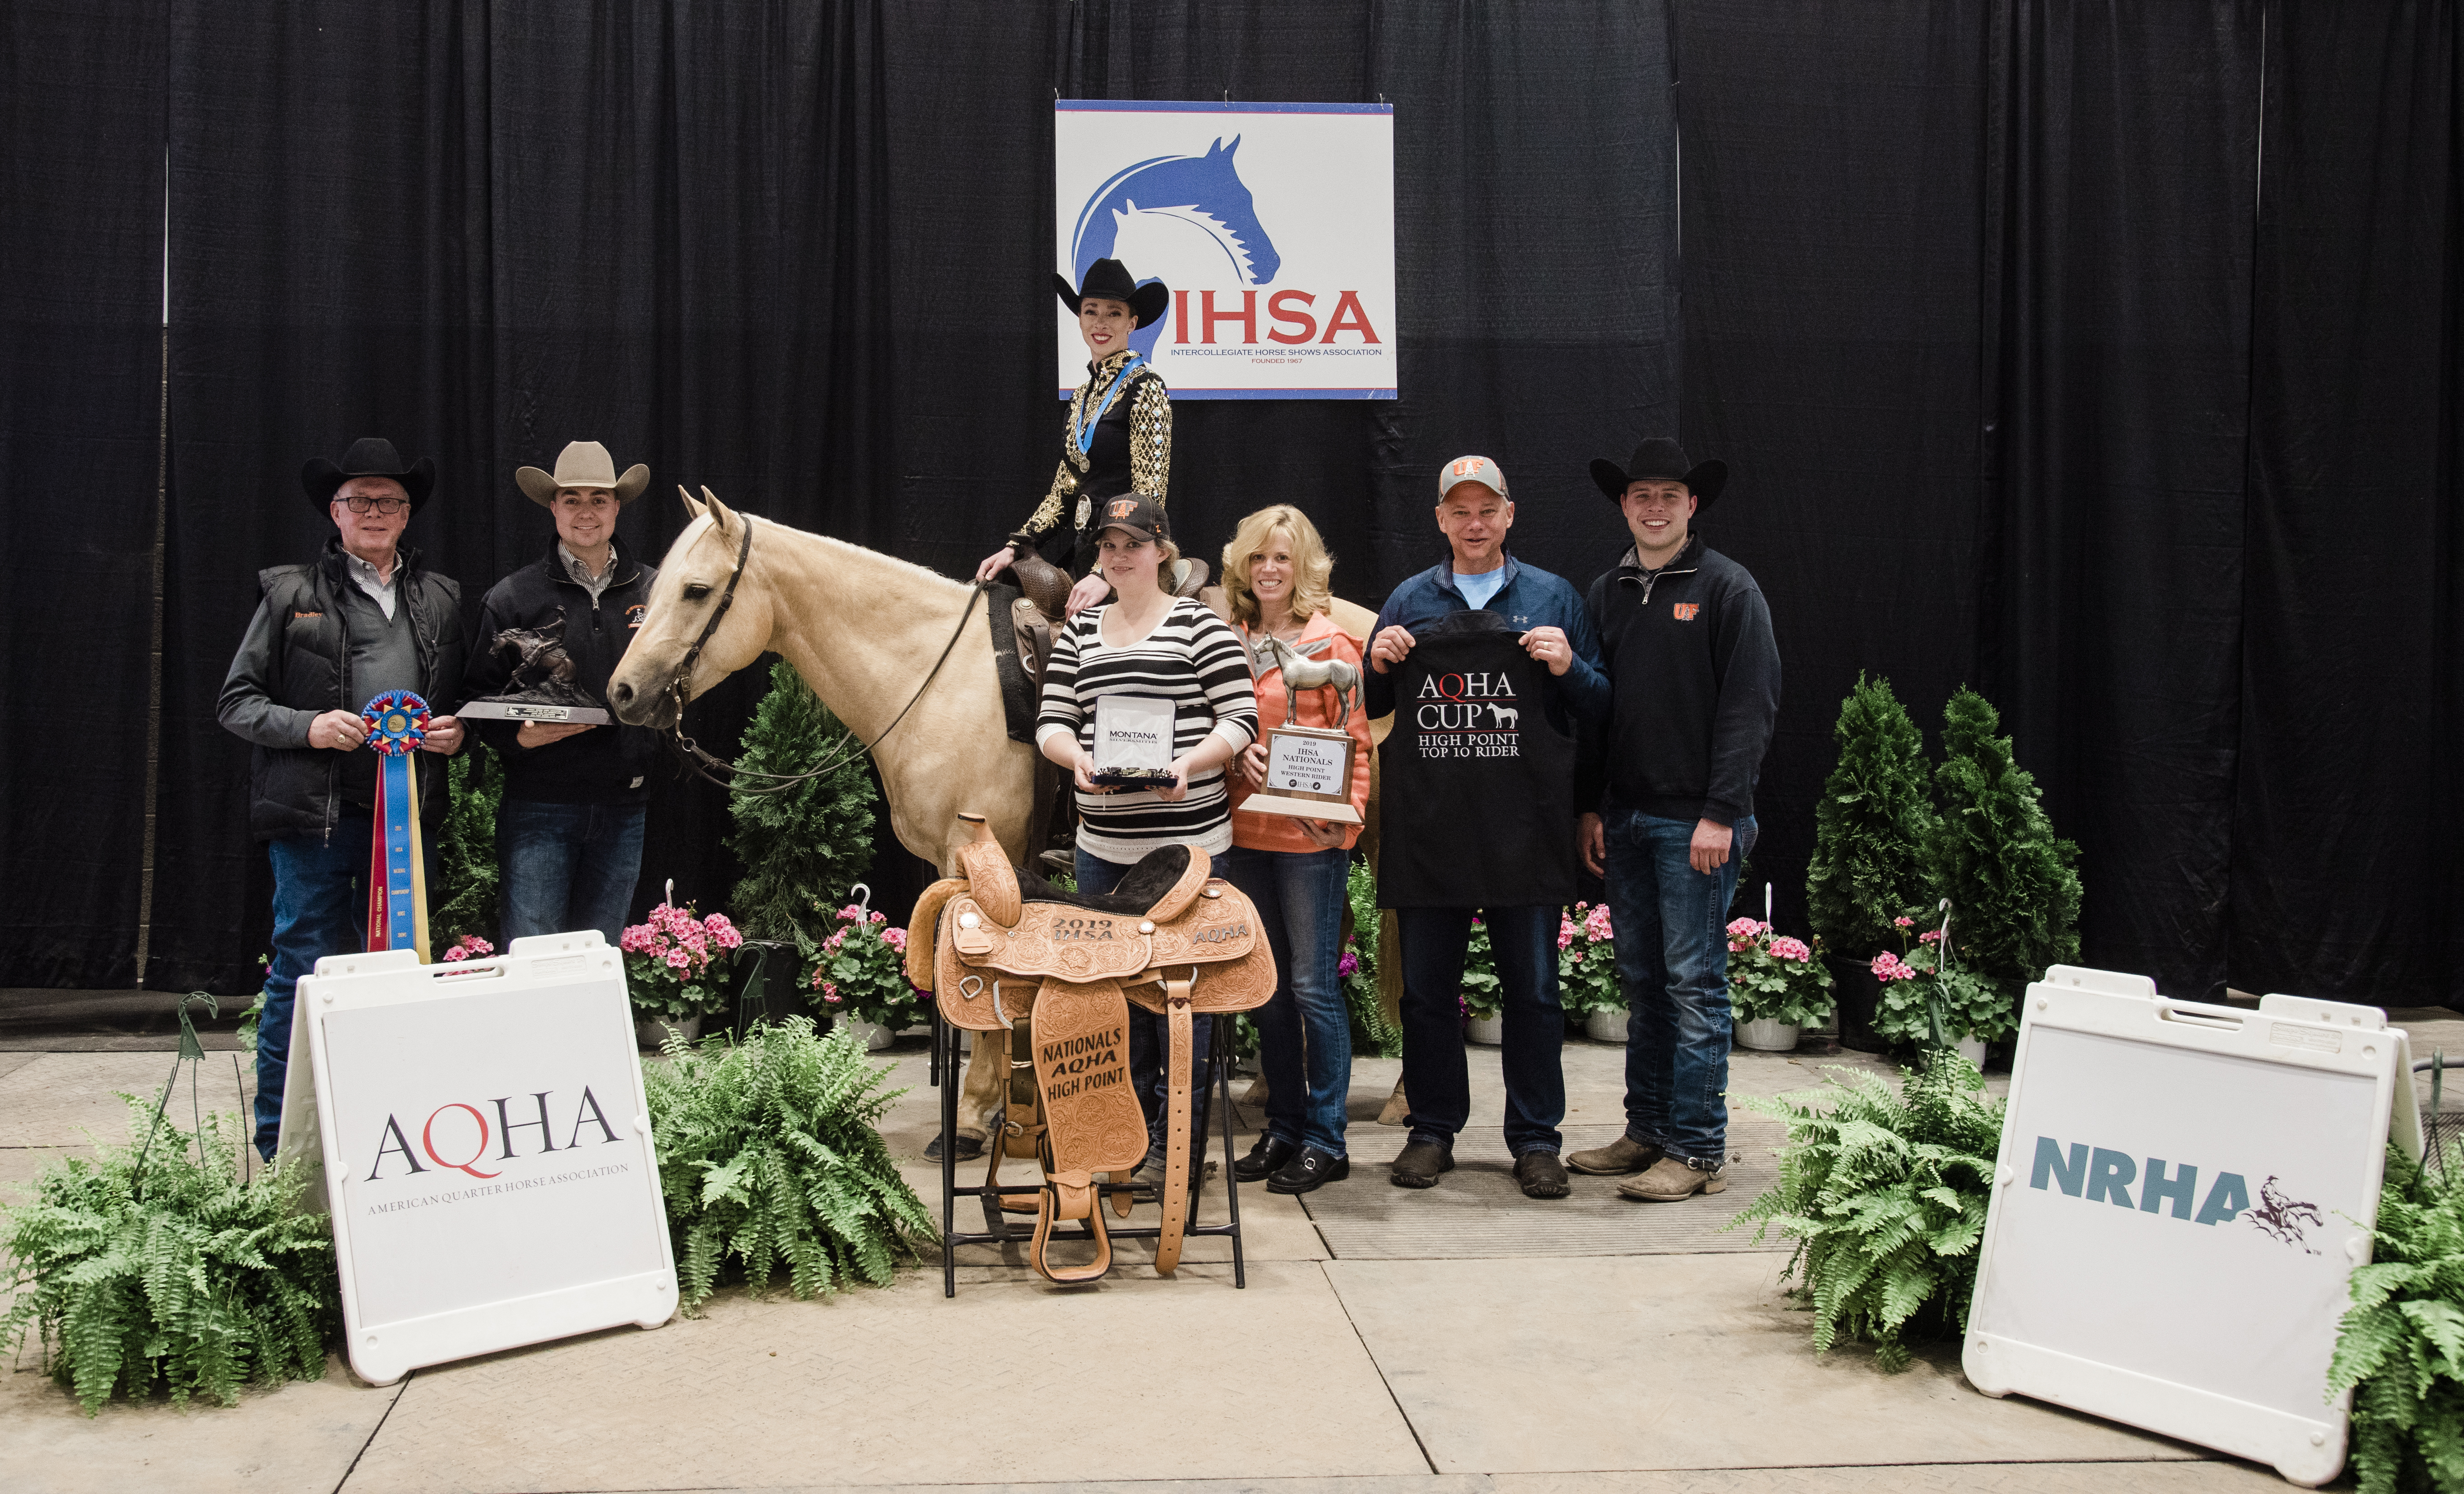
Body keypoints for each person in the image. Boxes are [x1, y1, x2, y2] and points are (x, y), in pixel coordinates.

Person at [1363, 457, 1608, 1199]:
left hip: (1524, 829)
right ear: (1440, 519)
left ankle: (1536, 1141)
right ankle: (1432, 1130)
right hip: (1433, 829)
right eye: (1459, 511)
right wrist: (1376, 660)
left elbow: (1600, 707)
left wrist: (1569, 666)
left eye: (1487, 510)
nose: (1474, 523)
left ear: (1509, 515)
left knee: (1533, 994)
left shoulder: (1553, 597)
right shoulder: (1409, 598)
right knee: (1428, 995)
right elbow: (1373, 699)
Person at [217, 436, 467, 1162]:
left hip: (404, 828)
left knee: (398, 977)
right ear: (336, 510)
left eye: (390, 500)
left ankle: (384, 1145)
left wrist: (453, 736)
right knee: (300, 972)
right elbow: (236, 702)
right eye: (360, 500)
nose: (376, 512)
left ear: (407, 513)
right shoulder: (289, 593)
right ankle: (277, 1148)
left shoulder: (441, 598)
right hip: (312, 825)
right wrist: (310, 726)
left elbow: (452, 707)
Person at [1566, 439, 1781, 1202]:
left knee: (1694, 985)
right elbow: (1594, 709)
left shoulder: (1728, 589)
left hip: (1697, 825)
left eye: (1670, 496)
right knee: (1645, 983)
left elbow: (1748, 709)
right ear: (1624, 506)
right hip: (1626, 818)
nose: (1655, 508)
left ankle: (1696, 1148)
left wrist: (1722, 812)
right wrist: (1592, 804)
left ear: (1693, 506)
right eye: (1641, 496)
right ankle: (1647, 1130)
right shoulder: (1607, 591)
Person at [1034, 495, 1258, 1185]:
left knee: (1177, 1005)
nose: (1118, 554)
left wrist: (1188, 766)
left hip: (1188, 849)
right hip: (1103, 849)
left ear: (1162, 549)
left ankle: (1176, 1145)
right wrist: (1074, 759)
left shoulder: (1201, 627)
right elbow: (1052, 721)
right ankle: (1123, 1138)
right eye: (1108, 544)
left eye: (1133, 542)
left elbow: (1240, 719)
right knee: (1113, 1003)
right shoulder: (1079, 634)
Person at [1218, 504, 1374, 1195]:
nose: (1269, 568)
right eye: (1258, 557)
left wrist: (1347, 818)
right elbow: (1208, 728)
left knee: (1312, 987)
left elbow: (1356, 741)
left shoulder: (1331, 643)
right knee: (1269, 993)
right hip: (1242, 833)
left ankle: (1325, 1135)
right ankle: (1282, 1125)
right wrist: (1230, 762)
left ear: (1303, 564)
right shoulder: (1227, 637)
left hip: (1310, 839)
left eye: (1281, 556)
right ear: (1242, 567)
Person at [462, 441, 661, 945]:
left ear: (618, 506)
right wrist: (519, 740)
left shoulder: (658, 593)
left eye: (599, 499)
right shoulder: (512, 597)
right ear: (552, 507)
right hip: (539, 806)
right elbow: (476, 696)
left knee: (602, 952)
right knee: (534, 950)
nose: (586, 512)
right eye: (572, 499)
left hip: (624, 806)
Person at [974, 258, 1173, 617]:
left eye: (1113, 313)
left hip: (1128, 561)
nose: (1100, 322)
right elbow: (1065, 488)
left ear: (1132, 323)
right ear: (1079, 319)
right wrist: (1016, 545)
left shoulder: (1146, 388)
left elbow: (1150, 496)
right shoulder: (1081, 396)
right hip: (1088, 551)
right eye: (1091, 311)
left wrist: (1107, 571)